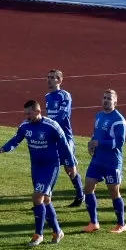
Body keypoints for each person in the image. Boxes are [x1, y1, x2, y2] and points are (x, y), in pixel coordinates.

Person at [0, 100, 73, 246]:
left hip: (50, 167)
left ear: (38, 111)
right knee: (45, 200)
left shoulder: (52, 126)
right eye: (25, 114)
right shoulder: (25, 126)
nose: (27, 116)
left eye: (29, 113)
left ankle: (38, 235)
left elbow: (64, 146)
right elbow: (16, 140)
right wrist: (4, 148)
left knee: (37, 197)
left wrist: (71, 164)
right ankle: (57, 231)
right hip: (36, 167)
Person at [82, 89, 126, 234]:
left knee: (114, 192)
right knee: (88, 187)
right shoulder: (99, 116)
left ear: (115, 102)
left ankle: (121, 224)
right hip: (97, 160)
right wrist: (91, 143)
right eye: (104, 98)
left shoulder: (119, 120)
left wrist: (99, 143)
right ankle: (93, 222)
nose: (106, 100)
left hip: (112, 162)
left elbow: (119, 142)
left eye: (109, 98)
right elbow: (96, 134)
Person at [44, 69, 87, 207]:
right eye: (48, 77)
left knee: (70, 169)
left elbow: (62, 115)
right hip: (52, 137)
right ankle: (44, 197)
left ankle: (80, 195)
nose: (49, 80)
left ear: (59, 80)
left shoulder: (65, 95)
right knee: (50, 166)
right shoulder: (47, 96)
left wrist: (49, 125)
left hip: (65, 138)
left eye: (52, 77)